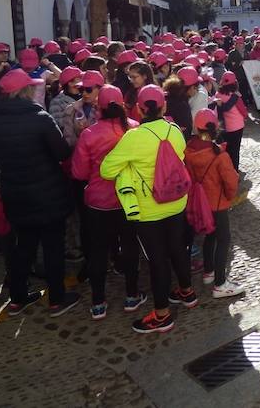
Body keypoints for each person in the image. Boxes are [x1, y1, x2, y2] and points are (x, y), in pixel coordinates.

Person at [0, 70, 80, 318]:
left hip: (15, 192)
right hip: (47, 192)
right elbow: (61, 153)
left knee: (23, 246)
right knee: (52, 247)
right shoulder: (40, 118)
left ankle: (17, 297)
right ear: (24, 91)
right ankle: (57, 298)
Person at [100, 85, 197, 334]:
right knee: (178, 249)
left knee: (157, 261)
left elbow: (107, 170)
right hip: (177, 201)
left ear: (140, 109)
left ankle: (162, 315)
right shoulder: (174, 131)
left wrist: (132, 168)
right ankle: (187, 292)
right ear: (163, 106)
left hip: (148, 209)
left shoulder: (133, 137)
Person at [71, 85, 144, 320]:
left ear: (98, 107)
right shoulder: (133, 129)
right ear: (122, 104)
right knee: (130, 247)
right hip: (129, 200)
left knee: (98, 251)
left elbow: (79, 172)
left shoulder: (89, 134)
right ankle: (132, 296)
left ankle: (98, 302)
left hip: (98, 203)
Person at [184, 109, 244, 298]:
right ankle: (220, 283)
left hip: (199, 203)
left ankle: (208, 272)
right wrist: (229, 197)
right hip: (217, 203)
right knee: (223, 239)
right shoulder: (219, 154)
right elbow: (231, 182)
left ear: (196, 126)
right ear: (215, 127)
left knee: (210, 236)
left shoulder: (188, 149)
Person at [212, 71, 249, 171]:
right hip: (237, 127)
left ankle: (225, 170)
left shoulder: (217, 94)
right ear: (235, 83)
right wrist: (246, 117)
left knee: (226, 149)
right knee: (235, 150)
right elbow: (243, 111)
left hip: (224, 128)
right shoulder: (236, 96)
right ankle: (234, 171)